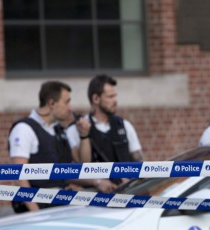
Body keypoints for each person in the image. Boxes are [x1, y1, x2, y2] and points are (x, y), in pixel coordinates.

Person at [8, 81, 92, 213]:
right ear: (52, 103)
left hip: (61, 206)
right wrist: (36, 214)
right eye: (66, 102)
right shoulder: (24, 129)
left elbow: (83, 165)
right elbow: (19, 176)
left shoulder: (59, 131)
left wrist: (84, 135)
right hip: (40, 209)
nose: (70, 108)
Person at [66, 74, 144, 191]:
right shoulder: (75, 130)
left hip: (128, 193)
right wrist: (98, 181)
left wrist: (132, 180)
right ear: (96, 99)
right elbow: (69, 171)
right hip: (94, 198)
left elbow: (139, 161)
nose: (115, 100)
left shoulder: (124, 126)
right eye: (110, 96)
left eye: (115, 96)